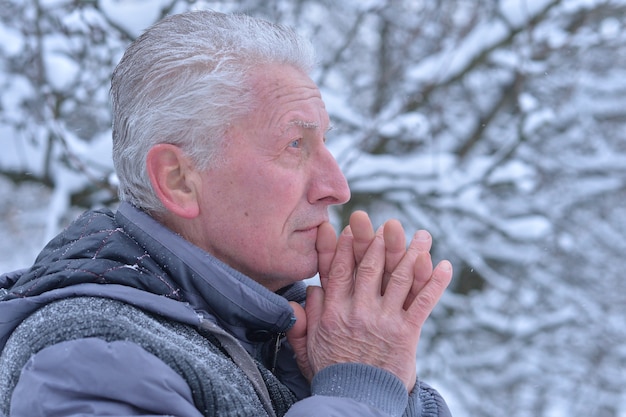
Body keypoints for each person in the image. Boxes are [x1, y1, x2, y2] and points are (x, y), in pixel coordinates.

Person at [0, 10, 453, 417]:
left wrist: (390, 382)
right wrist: (361, 394)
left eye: (324, 143)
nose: (336, 188)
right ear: (179, 179)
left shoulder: (280, 341)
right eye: (295, 144)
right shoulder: (91, 359)